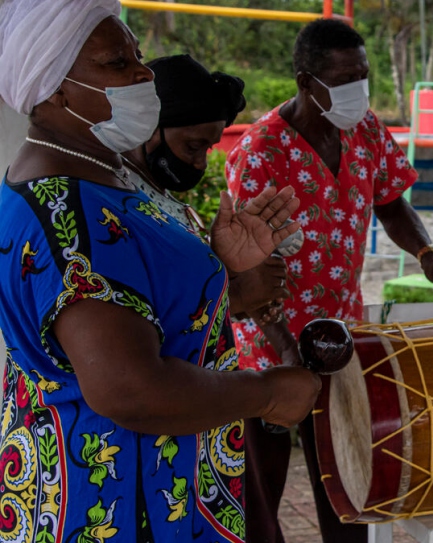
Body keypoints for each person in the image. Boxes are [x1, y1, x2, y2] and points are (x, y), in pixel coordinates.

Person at [0, 2, 322, 542]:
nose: (143, 73)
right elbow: (130, 389)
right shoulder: (70, 210)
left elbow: (148, 315)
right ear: (55, 89)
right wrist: (266, 391)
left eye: (138, 56)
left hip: (149, 489)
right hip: (112, 506)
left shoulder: (100, 176)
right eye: (115, 62)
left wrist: (223, 274)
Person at [224, 18, 433, 543]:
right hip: (270, 343)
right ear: (306, 82)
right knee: (261, 493)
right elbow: (243, 264)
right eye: (344, 79)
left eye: (364, 76)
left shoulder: (367, 130)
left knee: (346, 481)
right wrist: (286, 350)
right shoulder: (262, 152)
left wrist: (427, 255)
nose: (358, 90)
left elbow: (391, 202)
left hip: (339, 334)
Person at [122, 53, 288, 325]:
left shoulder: (157, 196)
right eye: (193, 146)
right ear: (149, 128)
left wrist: (229, 268)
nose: (201, 162)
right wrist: (237, 296)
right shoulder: (115, 203)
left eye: (208, 148)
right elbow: (135, 322)